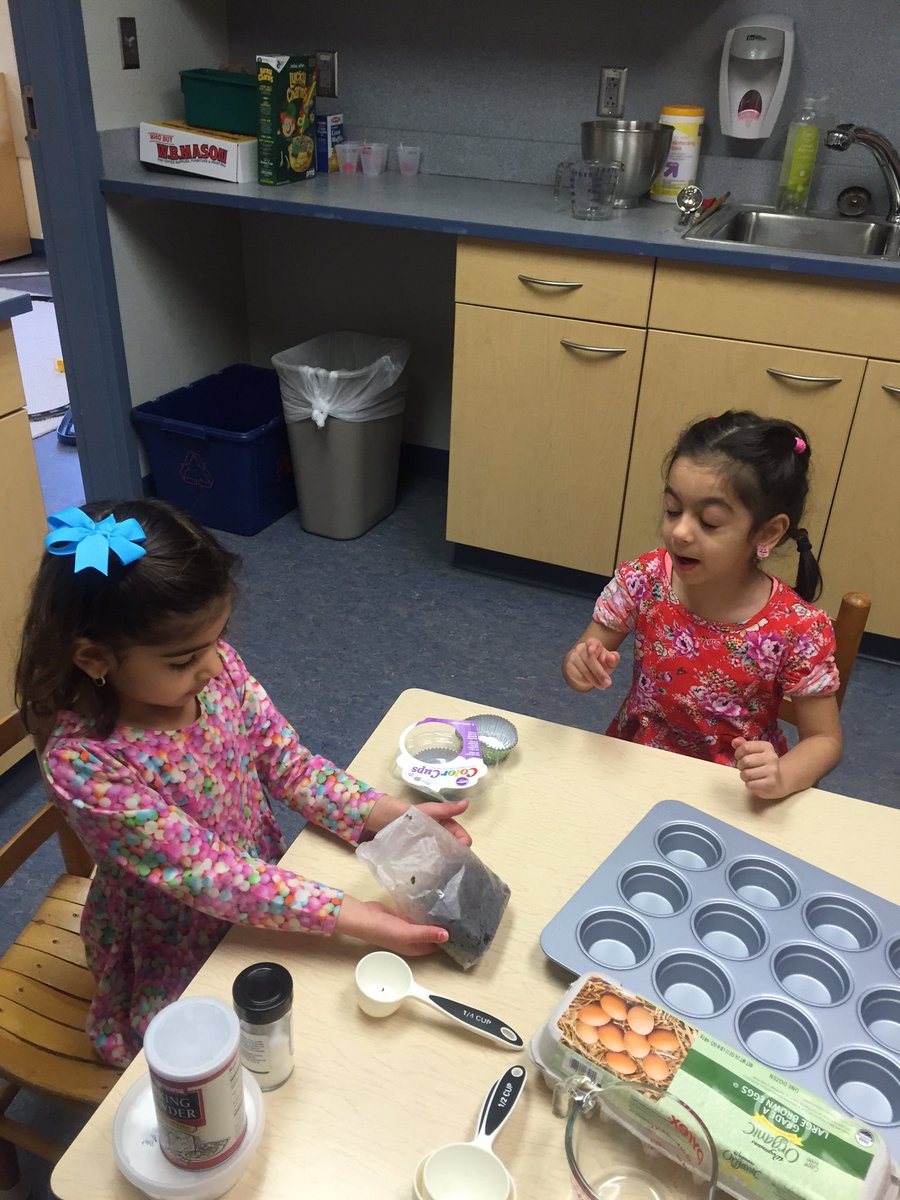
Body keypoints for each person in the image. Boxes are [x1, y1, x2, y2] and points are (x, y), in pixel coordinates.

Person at [16, 498, 471, 1067]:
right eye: (184, 660)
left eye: (217, 640)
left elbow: (287, 763)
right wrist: (356, 917)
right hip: (177, 935)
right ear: (93, 658)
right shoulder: (85, 764)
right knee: (231, 1056)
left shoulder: (214, 671)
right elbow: (209, 876)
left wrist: (388, 814)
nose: (213, 665)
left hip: (263, 883)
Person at [562, 411, 842, 801]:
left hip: (729, 792)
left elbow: (825, 740)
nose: (680, 531)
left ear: (767, 532)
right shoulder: (644, 579)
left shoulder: (797, 628)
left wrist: (782, 774)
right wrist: (580, 666)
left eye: (709, 522)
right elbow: (581, 661)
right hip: (636, 767)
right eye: (673, 510)